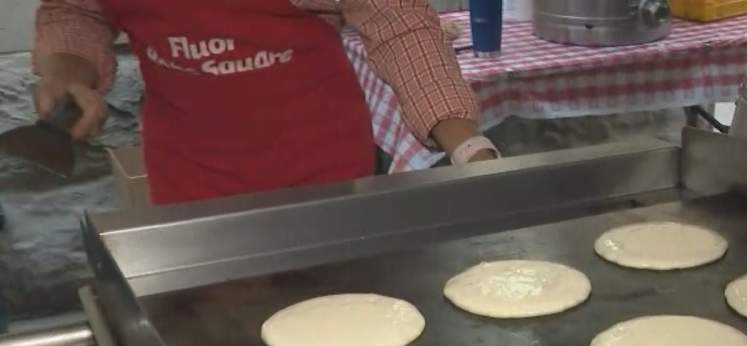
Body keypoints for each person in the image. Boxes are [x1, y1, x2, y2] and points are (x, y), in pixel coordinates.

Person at [33, 0, 499, 205]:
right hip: (191, 172)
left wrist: (467, 146)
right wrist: (69, 73)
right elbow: (75, 10)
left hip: (320, 168)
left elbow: (397, 20)